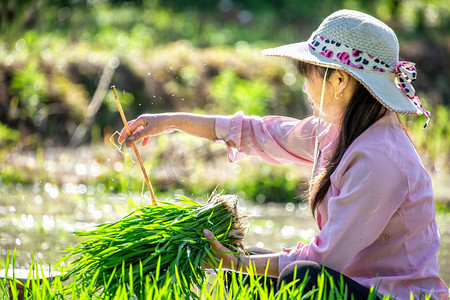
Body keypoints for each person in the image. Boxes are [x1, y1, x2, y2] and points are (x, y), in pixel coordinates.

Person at [119, 9, 448, 300]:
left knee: (298, 277)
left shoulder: (380, 160)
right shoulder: (339, 131)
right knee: (249, 271)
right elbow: (258, 132)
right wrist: (170, 122)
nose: (305, 88)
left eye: (309, 76)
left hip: (394, 296)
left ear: (339, 79)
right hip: (354, 285)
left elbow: (325, 261)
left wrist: (238, 262)